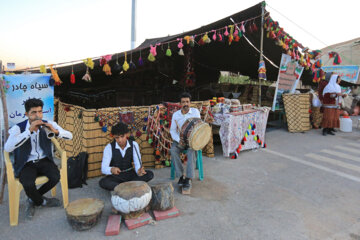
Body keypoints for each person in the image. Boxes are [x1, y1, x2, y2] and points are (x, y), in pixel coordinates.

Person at [4, 98, 73, 219]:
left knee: (55, 177)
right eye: (33, 112)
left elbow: (70, 136)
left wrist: (55, 131)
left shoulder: (48, 123)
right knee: (27, 183)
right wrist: (29, 131)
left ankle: (33, 199)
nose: (37, 115)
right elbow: (8, 148)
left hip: (44, 160)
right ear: (26, 114)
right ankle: (42, 201)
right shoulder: (18, 128)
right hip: (27, 163)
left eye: (40, 112)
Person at [99, 122, 154, 191]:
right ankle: (130, 187)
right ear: (113, 137)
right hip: (117, 177)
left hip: (130, 175)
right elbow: (103, 168)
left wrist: (139, 171)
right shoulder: (109, 147)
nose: (120, 140)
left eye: (122, 136)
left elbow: (138, 163)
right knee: (103, 182)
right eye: (117, 137)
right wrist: (111, 169)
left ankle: (122, 188)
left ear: (126, 134)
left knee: (150, 174)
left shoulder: (134, 144)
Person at [170, 92, 201, 193]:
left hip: (193, 140)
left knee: (191, 151)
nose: (185, 104)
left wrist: (194, 140)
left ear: (190, 103)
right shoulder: (176, 115)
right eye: (183, 102)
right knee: (173, 150)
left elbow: (200, 127)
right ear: (180, 104)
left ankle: (188, 177)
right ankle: (180, 176)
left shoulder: (195, 112)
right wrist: (179, 140)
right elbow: (172, 131)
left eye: (187, 101)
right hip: (180, 140)